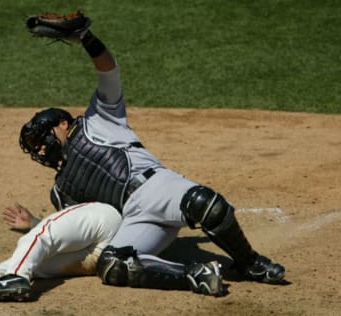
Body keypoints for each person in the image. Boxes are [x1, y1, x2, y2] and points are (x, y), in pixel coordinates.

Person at [19, 14, 285, 293]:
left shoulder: (98, 119)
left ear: (62, 124)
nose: (41, 148)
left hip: (156, 188)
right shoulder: (60, 192)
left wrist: (86, 37)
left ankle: (250, 262)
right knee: (112, 265)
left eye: (43, 137)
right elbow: (81, 230)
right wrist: (36, 226)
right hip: (134, 220)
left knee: (206, 204)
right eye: (35, 146)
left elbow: (108, 71)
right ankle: (196, 275)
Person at [0, 202, 122, 302]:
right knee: (35, 262)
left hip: (105, 216)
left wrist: (37, 227)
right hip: (105, 255)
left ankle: (15, 278)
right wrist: (34, 223)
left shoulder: (83, 147)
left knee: (38, 237)